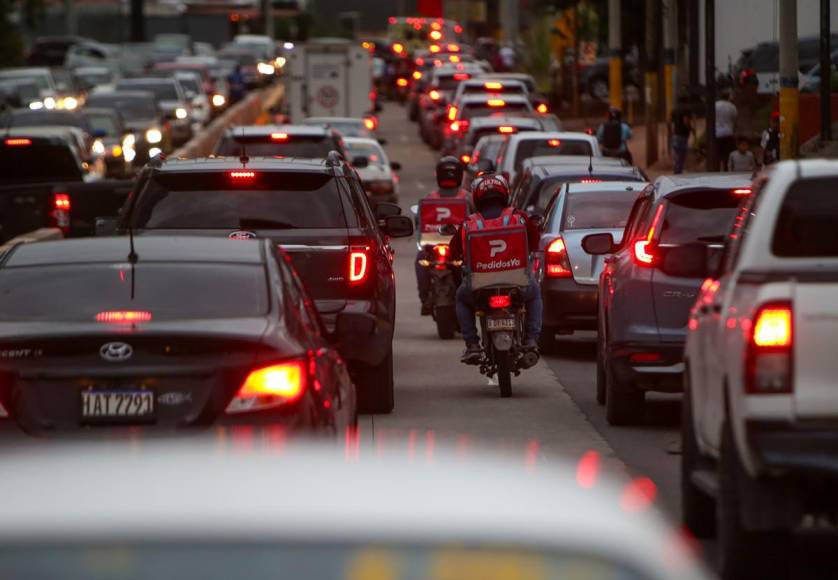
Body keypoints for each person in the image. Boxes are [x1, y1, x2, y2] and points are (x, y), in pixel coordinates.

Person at [449, 175, 542, 365]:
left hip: (479, 287)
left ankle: (472, 345)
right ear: (505, 195)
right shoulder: (519, 217)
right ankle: (531, 339)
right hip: (519, 284)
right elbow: (534, 242)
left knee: (461, 297)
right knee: (535, 295)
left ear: (477, 198)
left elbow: (453, 252)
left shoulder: (469, 223)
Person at [415, 156, 473, 315]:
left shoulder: (429, 198)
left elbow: (417, 221)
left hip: (435, 247)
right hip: (458, 248)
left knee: (420, 260)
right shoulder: (468, 198)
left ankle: (425, 298)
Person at [670, 96, 694, 174]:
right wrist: (691, 129)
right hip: (683, 135)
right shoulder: (686, 110)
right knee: (681, 156)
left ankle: (676, 171)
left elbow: (670, 123)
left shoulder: (674, 110)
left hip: (675, 135)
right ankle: (678, 173)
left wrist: (672, 132)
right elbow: (686, 121)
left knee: (676, 155)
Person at [715, 89, 738, 171]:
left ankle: (716, 169)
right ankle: (725, 169)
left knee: (717, 154)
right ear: (728, 96)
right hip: (728, 132)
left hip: (717, 133)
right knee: (727, 154)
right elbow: (735, 119)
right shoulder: (732, 106)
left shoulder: (715, 105)